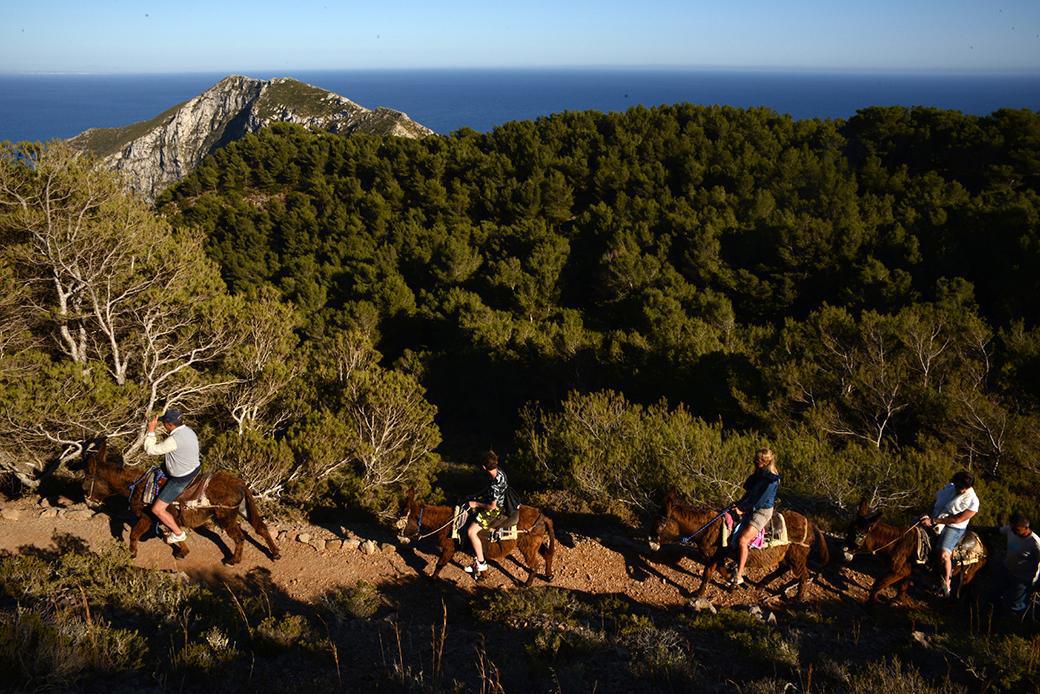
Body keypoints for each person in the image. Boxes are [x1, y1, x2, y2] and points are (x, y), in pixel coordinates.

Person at [142, 408, 201, 544]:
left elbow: (150, 450)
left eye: (164, 423)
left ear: (169, 425)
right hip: (194, 468)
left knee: (157, 509)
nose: (163, 425)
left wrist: (151, 430)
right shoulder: (188, 431)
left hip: (181, 478)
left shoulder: (174, 440)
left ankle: (178, 533)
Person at [920, 470, 979, 597]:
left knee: (943, 553)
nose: (958, 489)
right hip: (934, 517)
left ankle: (947, 582)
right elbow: (935, 501)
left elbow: (957, 519)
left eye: (961, 488)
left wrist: (934, 521)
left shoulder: (973, 501)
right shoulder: (949, 488)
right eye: (957, 486)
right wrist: (927, 514)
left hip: (953, 527)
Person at [728, 447, 781, 589]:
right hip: (750, 505)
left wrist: (742, 510)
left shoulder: (771, 480)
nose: (754, 463)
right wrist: (739, 503)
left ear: (764, 462)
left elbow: (759, 502)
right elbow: (750, 493)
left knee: (742, 540)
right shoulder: (760, 473)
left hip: (761, 511)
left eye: (756, 461)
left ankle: (739, 576)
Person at [464, 451, 508, 575]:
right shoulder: (499, 472)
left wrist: (476, 504)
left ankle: (482, 563)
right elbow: (488, 490)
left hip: (495, 509)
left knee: (471, 531)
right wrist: (476, 496)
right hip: (493, 500)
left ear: (484, 467)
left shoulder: (495, 484)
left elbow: (492, 507)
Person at [992, 512, 1040, 615]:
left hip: (1023, 577)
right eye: (1013, 528)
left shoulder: (1035, 542)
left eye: (1017, 529)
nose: (1014, 531)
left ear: (1026, 528)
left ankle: (1015, 622)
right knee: (996, 591)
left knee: (1016, 603)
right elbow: (998, 530)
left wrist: (1035, 581)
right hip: (1007, 570)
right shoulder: (1011, 530)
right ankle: (997, 612)